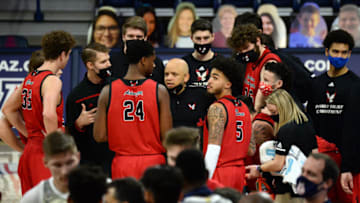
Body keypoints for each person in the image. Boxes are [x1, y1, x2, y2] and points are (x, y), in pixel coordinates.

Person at [3, 30, 75, 194]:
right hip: (45, 152)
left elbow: (7, 109)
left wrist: (27, 132)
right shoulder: (52, 80)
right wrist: (55, 144)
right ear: (62, 55)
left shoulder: (30, 77)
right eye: (69, 54)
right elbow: (48, 114)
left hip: (30, 152)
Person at [93, 40, 172, 179]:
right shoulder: (159, 91)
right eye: (152, 61)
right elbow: (167, 137)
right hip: (153, 163)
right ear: (143, 60)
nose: (153, 65)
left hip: (123, 163)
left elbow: (99, 136)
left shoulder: (107, 91)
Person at [307, 29, 358, 203]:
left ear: (350, 54)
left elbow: (354, 130)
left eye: (344, 53)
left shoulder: (356, 85)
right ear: (327, 51)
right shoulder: (316, 84)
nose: (340, 56)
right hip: (321, 160)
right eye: (336, 51)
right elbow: (311, 123)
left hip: (347, 165)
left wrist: (348, 167)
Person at [247, 89, 317, 202]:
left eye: (274, 112)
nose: (272, 116)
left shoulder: (285, 130)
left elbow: (278, 164)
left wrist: (259, 169)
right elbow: (315, 154)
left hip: (289, 190)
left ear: (283, 108)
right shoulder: (306, 122)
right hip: (307, 185)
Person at [203, 56, 251, 192]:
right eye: (210, 77)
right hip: (239, 173)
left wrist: (205, 180)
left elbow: (213, 149)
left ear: (228, 84)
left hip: (220, 172)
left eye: (215, 77)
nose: (209, 81)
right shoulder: (244, 107)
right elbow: (250, 149)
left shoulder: (217, 108)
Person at [65, 42, 113, 175]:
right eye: (103, 62)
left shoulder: (116, 86)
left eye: (108, 60)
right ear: (90, 65)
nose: (108, 64)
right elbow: (69, 135)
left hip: (115, 158)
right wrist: (78, 124)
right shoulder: (76, 96)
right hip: (90, 164)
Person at [0, 49, 45, 153]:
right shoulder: (26, 88)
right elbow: (3, 121)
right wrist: (30, 137)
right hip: (38, 151)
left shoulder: (49, 88)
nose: (59, 70)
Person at [227, 24, 281, 104]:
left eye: (246, 48)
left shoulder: (269, 61)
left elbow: (264, 95)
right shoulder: (251, 60)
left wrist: (255, 114)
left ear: (257, 41)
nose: (244, 53)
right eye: (240, 51)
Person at [20, 131, 80, 203]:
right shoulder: (33, 198)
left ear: (78, 157)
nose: (64, 171)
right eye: (57, 165)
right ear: (45, 162)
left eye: (69, 163)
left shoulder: (94, 190)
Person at [109, 16, 165, 84]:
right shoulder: (111, 62)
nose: (135, 40)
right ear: (123, 37)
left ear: (145, 38)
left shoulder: (155, 63)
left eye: (139, 37)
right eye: (131, 36)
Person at [164, 58, 213, 127]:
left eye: (174, 74)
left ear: (186, 77)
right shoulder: (161, 97)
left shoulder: (201, 96)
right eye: (166, 74)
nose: (168, 78)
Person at [183, 19, 218, 89]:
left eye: (206, 38)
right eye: (198, 38)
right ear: (191, 38)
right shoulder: (183, 64)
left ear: (213, 37)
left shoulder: (222, 62)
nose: (202, 42)